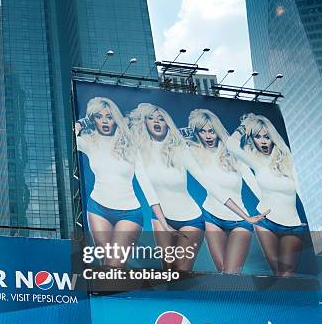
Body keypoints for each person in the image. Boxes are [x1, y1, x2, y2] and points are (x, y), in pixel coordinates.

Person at [130, 103, 263, 272]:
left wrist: (245, 216)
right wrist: (164, 224)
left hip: (190, 218)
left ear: (167, 123)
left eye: (161, 119)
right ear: (144, 123)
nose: (156, 122)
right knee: (168, 271)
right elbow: (147, 189)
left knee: (182, 272)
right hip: (160, 218)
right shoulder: (137, 152)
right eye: (151, 118)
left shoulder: (180, 149)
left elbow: (209, 183)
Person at [75, 97, 160, 267]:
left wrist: (161, 218)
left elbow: (144, 180)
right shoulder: (89, 143)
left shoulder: (130, 144)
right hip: (97, 208)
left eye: (109, 116)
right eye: (99, 117)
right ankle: (113, 294)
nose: (105, 121)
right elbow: (69, 137)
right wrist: (81, 124)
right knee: (105, 264)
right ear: (92, 120)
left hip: (129, 213)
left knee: (114, 265)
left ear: (116, 119)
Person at [226, 113, 306, 276]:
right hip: (265, 222)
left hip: (293, 225)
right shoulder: (256, 161)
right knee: (277, 272)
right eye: (257, 136)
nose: (263, 140)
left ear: (273, 138)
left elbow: (301, 188)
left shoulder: (288, 160)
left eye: (266, 136)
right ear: (253, 139)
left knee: (287, 274)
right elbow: (231, 144)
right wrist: (244, 127)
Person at [188, 109, 267, 274]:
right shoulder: (193, 153)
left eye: (211, 130)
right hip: (211, 217)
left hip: (240, 220)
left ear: (217, 130)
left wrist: (270, 206)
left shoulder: (233, 154)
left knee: (231, 274)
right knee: (223, 273)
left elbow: (251, 180)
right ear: (196, 132)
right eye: (202, 131)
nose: (208, 136)